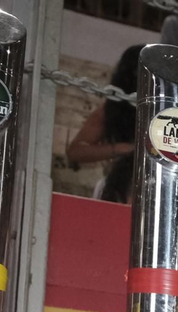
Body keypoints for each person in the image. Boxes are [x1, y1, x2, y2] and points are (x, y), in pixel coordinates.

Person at [66, 45, 142, 202]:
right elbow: (75, 151)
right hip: (119, 186)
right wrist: (120, 149)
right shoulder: (112, 108)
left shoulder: (166, 110)